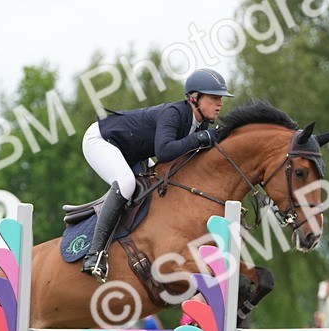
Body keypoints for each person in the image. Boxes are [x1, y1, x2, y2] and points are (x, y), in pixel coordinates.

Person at [80, 68, 234, 282]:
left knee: (156, 187)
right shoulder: (175, 113)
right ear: (195, 98)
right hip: (103, 140)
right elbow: (165, 152)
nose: (220, 103)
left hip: (133, 153)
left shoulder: (200, 123)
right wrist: (201, 139)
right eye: (214, 98)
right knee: (126, 184)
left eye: (221, 98)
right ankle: (94, 255)